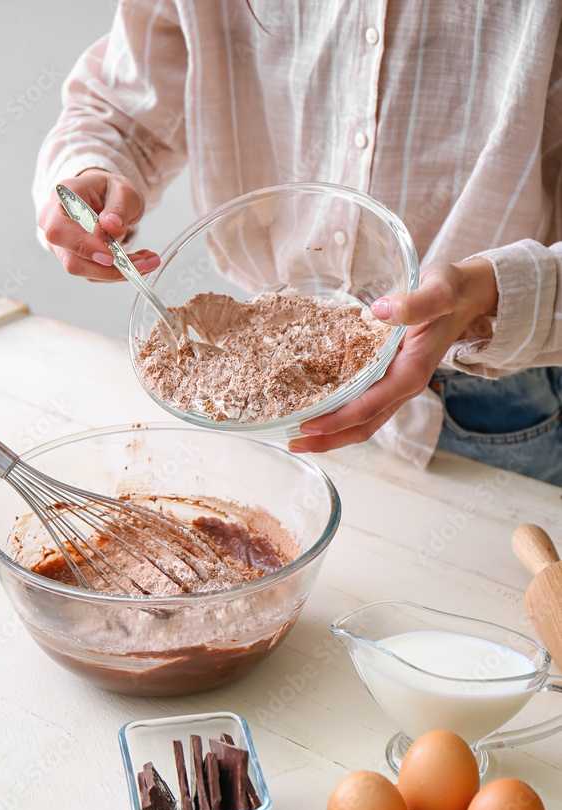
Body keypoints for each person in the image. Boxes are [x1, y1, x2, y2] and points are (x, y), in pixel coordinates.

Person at [34, 0, 562, 485]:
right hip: (258, 398)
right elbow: (123, 105)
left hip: (496, 402)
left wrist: (490, 291)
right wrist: (91, 172)